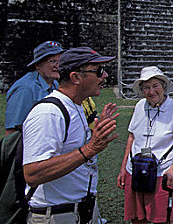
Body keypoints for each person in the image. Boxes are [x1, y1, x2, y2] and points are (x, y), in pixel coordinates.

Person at [22, 46, 119, 224]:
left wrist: (94, 136)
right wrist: (89, 149)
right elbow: (33, 173)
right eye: (99, 71)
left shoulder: (76, 107)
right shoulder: (49, 113)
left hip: (81, 210)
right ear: (75, 77)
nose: (105, 76)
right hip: (57, 215)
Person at [117, 66, 173, 224]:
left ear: (163, 86)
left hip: (162, 172)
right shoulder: (139, 106)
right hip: (135, 169)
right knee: (137, 217)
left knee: (161, 219)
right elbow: (131, 137)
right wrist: (123, 168)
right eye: (146, 88)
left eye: (155, 86)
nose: (151, 92)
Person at [5, 41, 64, 136]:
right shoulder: (25, 89)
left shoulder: (55, 85)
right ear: (38, 65)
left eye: (60, 61)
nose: (57, 65)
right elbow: (12, 132)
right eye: (52, 61)